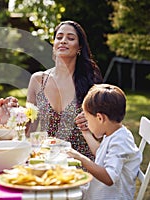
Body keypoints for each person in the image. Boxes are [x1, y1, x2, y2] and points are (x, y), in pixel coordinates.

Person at [26, 20, 103, 160]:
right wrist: (12, 117)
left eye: (70, 38)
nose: (63, 41)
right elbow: (30, 126)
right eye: (59, 37)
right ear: (54, 44)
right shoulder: (38, 80)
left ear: (79, 47)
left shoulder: (91, 81)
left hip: (83, 163)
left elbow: (102, 132)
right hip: (48, 160)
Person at [67, 84, 142, 200]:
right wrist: (85, 132)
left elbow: (109, 178)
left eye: (87, 118)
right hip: (95, 193)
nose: (87, 122)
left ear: (100, 118)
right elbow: (100, 152)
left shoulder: (121, 141)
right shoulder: (113, 133)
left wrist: (80, 158)